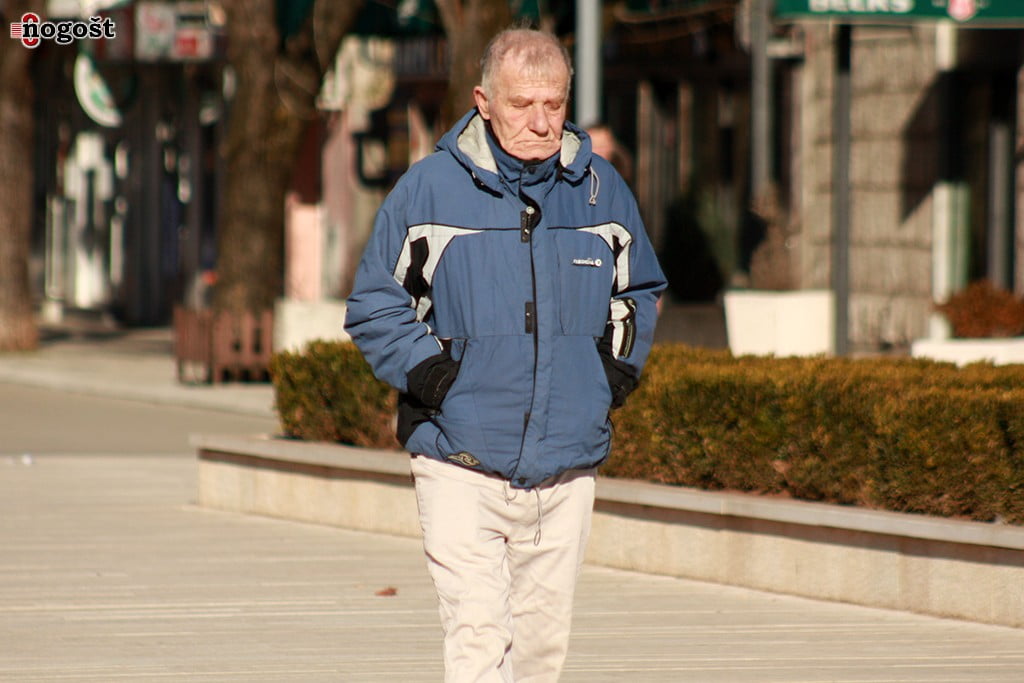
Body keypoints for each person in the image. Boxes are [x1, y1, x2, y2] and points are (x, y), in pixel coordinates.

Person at [344, 27, 666, 682]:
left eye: (554, 104)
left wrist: (608, 378)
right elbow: (376, 303)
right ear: (484, 102)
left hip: (566, 463)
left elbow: (637, 291)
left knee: (541, 651)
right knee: (478, 636)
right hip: (457, 458)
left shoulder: (601, 189)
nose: (541, 122)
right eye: (523, 104)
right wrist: (435, 377)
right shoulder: (428, 189)